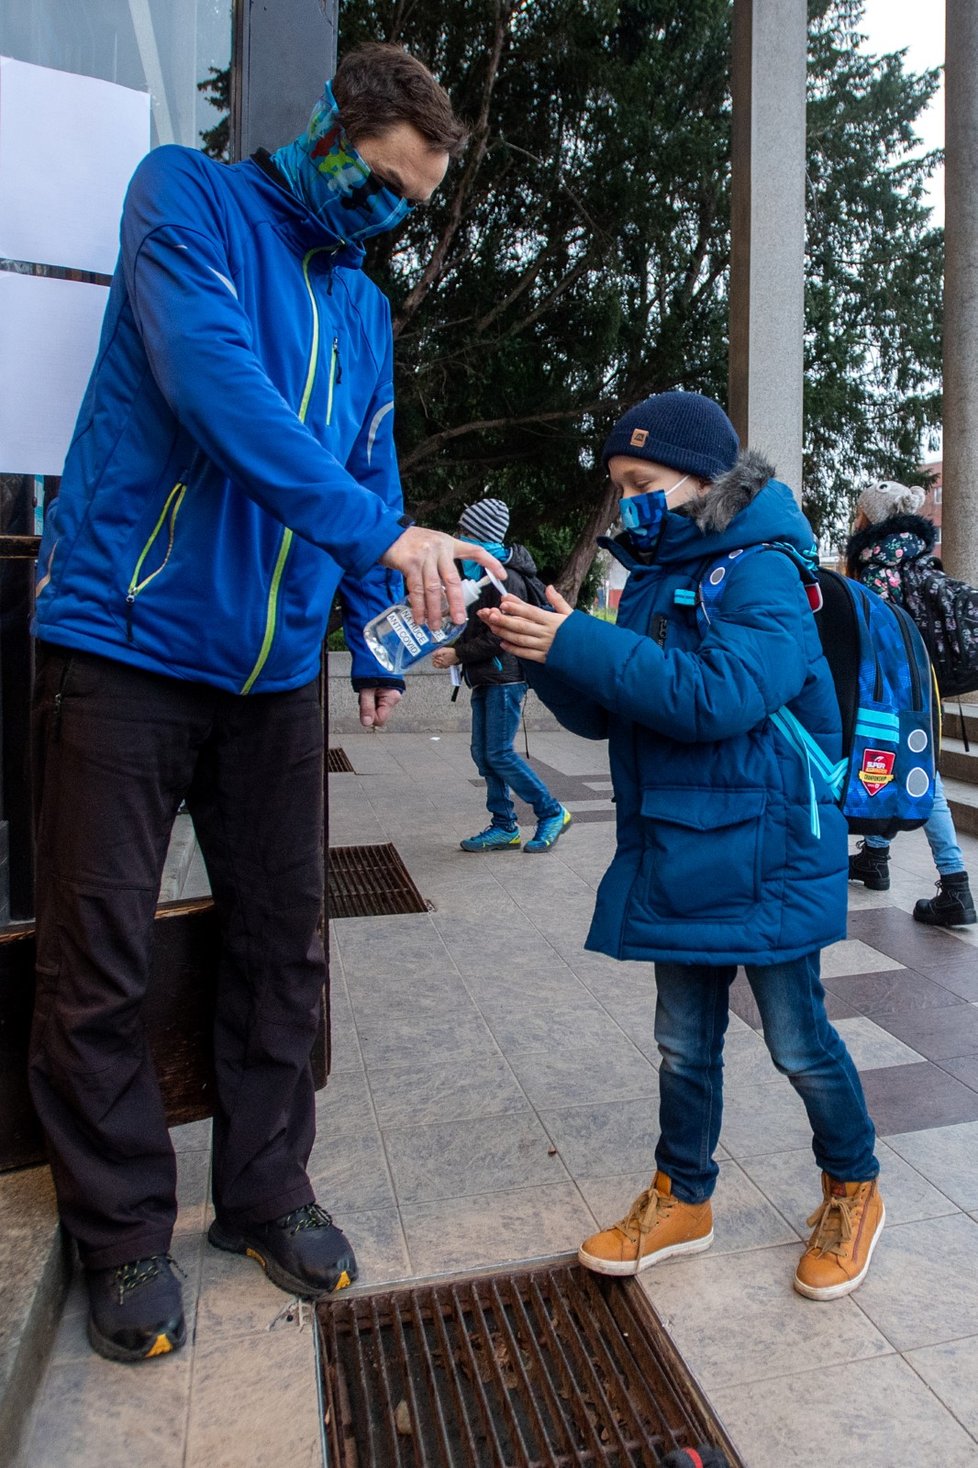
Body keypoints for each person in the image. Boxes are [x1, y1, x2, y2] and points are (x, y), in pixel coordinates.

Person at [29, 43, 504, 1364]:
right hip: (125, 643)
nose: (392, 219)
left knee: (285, 943)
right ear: (331, 135)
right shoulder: (182, 198)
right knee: (100, 954)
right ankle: (122, 1230)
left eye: (415, 206)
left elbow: (370, 464)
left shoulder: (359, 308)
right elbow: (212, 389)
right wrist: (375, 528)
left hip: (269, 678)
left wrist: (375, 633)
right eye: (384, 187)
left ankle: (265, 1194)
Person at [482, 391, 884, 1300]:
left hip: (769, 848)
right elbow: (615, 708)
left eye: (641, 482)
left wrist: (580, 638)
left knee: (798, 1040)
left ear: (704, 479)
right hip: (681, 840)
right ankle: (683, 1196)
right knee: (681, 1044)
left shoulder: (766, 569)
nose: (628, 502)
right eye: (620, 486)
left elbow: (720, 695)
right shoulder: (659, 572)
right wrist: (543, 647)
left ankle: (853, 1185)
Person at [844, 480, 976, 926]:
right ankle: (874, 859)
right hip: (923, 683)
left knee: (925, 779)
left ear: (870, 517)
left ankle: (956, 884)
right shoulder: (911, 553)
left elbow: (876, 637)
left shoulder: (877, 562)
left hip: (899, 687)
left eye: (859, 512)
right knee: (888, 764)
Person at [431, 496, 571, 852]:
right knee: (485, 754)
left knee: (498, 753)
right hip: (487, 676)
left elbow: (504, 633)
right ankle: (504, 826)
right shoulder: (485, 574)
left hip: (504, 677)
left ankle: (551, 812)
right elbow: (479, 627)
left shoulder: (504, 577)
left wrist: (458, 653)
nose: (458, 537)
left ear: (479, 535)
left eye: (464, 531)